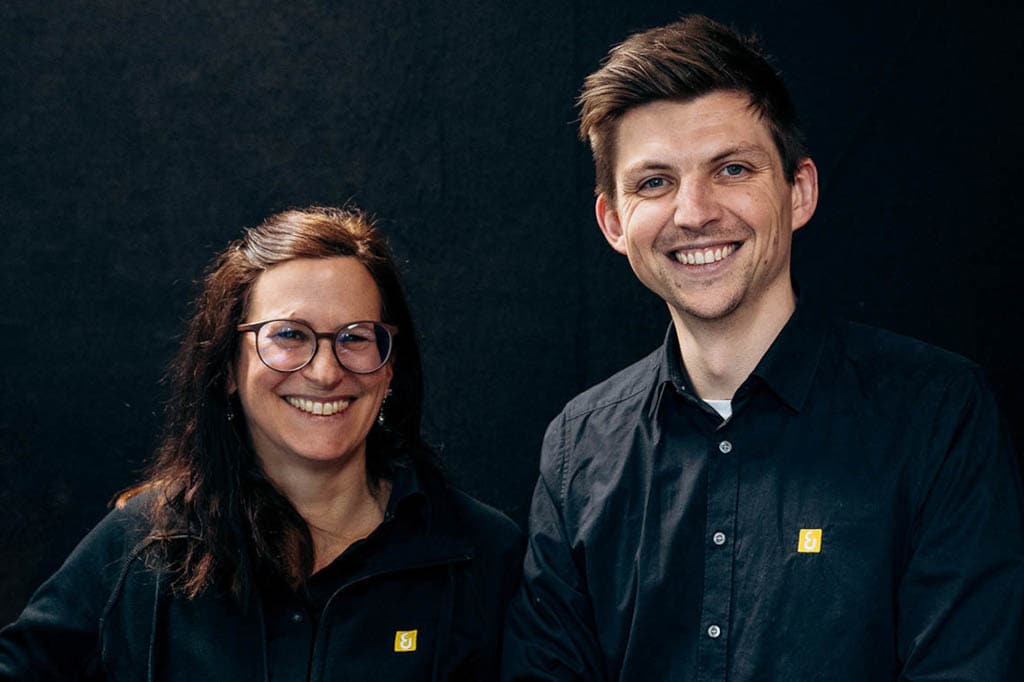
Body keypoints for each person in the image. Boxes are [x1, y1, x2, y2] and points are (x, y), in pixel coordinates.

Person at [502, 15, 1024, 681]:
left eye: (732, 169)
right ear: (613, 221)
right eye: (655, 182)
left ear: (798, 192)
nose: (694, 212)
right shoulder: (578, 451)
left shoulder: (937, 415)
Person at [0, 205, 523, 681]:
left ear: (389, 368)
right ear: (228, 367)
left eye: (355, 337)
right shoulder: (140, 545)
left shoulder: (482, 554)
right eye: (289, 335)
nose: (325, 372)